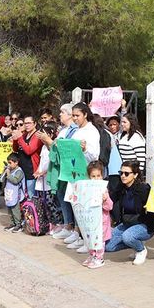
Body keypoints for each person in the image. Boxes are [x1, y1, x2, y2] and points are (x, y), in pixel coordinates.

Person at [61, 103, 102, 248]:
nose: (75, 118)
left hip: (85, 175)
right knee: (77, 207)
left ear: (85, 114)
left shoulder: (92, 131)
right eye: (73, 115)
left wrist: (85, 149)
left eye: (77, 115)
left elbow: (94, 156)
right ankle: (79, 235)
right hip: (74, 174)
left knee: (86, 210)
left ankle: (88, 241)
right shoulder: (77, 131)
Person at [106, 161, 154, 265]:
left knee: (128, 237)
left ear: (135, 175)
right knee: (108, 246)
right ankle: (135, 243)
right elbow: (111, 200)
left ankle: (140, 250)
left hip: (144, 225)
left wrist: (150, 208)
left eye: (126, 173)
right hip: (128, 223)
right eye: (121, 173)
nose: (123, 176)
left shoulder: (143, 189)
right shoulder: (121, 187)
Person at [74, 161, 113, 269]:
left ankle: (99, 258)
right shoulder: (86, 189)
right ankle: (92, 255)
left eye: (98, 176)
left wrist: (105, 199)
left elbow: (110, 207)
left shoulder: (104, 190)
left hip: (101, 222)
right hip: (90, 220)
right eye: (93, 176)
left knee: (99, 241)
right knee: (90, 239)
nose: (96, 178)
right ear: (89, 177)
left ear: (102, 176)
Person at [52, 104, 80, 240]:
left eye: (62, 112)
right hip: (63, 167)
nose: (60, 115)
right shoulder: (64, 129)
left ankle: (73, 227)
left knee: (71, 197)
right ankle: (67, 224)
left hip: (73, 168)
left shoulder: (75, 130)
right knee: (62, 194)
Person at [34, 121, 63, 232]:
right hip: (41, 180)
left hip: (49, 180)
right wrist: (38, 171)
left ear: (50, 135)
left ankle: (58, 223)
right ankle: (48, 223)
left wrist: (43, 173)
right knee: (43, 203)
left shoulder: (52, 147)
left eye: (44, 134)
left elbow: (53, 163)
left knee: (51, 203)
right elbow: (42, 162)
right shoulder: (43, 148)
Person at [11, 115, 42, 198]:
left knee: (31, 195)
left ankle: (32, 210)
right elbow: (15, 149)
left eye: (29, 123)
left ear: (35, 124)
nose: (26, 125)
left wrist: (20, 137)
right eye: (25, 123)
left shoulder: (37, 135)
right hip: (22, 167)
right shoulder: (24, 135)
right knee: (23, 193)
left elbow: (29, 151)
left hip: (31, 169)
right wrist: (15, 139)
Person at [1, 153, 26, 233]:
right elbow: (1, 179)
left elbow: (15, 181)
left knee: (15, 210)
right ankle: (13, 223)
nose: (9, 165)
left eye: (10, 163)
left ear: (16, 162)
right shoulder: (10, 170)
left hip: (16, 195)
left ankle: (18, 224)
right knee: (9, 209)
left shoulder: (19, 172)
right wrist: (4, 172)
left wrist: (8, 173)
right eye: (8, 163)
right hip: (9, 194)